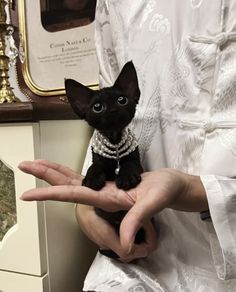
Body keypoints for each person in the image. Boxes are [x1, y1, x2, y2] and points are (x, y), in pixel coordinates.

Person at [20, 0, 236, 291]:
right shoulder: (112, 3)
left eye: (124, 100)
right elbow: (107, 111)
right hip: (130, 267)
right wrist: (88, 209)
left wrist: (191, 191)